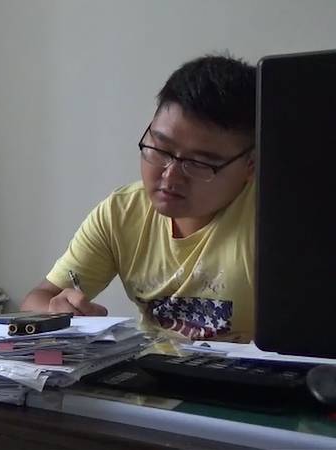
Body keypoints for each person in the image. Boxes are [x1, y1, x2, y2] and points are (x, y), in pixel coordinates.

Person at [20, 54, 257, 343]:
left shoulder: (273, 222)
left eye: (199, 163)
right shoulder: (122, 212)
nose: (170, 176)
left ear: (251, 166)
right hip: (149, 366)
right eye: (161, 149)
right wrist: (56, 310)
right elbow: (36, 300)